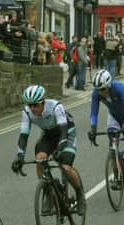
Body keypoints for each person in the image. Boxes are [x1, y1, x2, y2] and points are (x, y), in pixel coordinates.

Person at [11, 85, 86, 215]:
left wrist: (60, 149)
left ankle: (80, 195)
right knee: (40, 159)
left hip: (66, 133)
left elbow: (63, 131)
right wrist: (20, 156)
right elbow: (23, 136)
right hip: (49, 135)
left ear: (42, 102)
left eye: (35, 105)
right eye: (30, 105)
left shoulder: (56, 107)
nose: (33, 109)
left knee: (66, 167)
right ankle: (48, 192)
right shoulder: (27, 112)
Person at [88, 69, 124, 177]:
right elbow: (94, 112)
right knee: (112, 142)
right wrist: (93, 128)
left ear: (108, 85)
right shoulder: (97, 93)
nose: (100, 92)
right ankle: (116, 174)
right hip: (114, 115)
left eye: (102, 89)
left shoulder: (119, 87)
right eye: (97, 89)